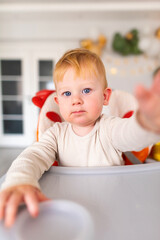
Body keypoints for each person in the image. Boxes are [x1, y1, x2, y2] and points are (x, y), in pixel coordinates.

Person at [0, 48, 160, 228]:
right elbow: (33, 156)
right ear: (58, 102)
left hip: (113, 212)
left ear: (105, 96)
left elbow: (131, 134)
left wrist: (147, 122)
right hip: (70, 214)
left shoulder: (109, 128)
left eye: (86, 90)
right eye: (67, 93)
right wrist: (20, 180)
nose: (76, 100)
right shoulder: (55, 134)